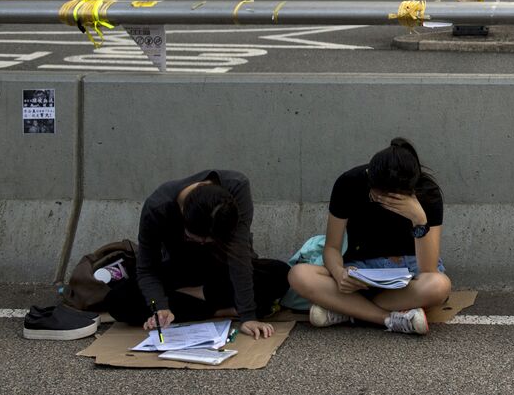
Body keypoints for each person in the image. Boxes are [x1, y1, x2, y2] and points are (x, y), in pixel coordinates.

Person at [288, 138, 451, 335]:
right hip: (361, 270)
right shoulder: (349, 182)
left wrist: (419, 219)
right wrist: (339, 273)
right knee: (299, 275)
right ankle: (388, 318)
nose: (385, 201)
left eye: (394, 199)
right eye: (379, 195)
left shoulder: (428, 192)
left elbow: (428, 268)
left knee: (440, 286)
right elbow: (331, 247)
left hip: (409, 269)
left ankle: (347, 310)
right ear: (370, 179)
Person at [110, 170, 287, 339]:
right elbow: (147, 269)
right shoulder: (157, 207)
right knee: (118, 300)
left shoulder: (236, 186)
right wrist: (160, 307)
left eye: (210, 240)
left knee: (280, 274)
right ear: (183, 214)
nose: (203, 243)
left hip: (223, 270)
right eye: (198, 238)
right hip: (180, 271)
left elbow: (239, 259)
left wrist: (248, 316)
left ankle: (201, 300)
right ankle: (220, 310)